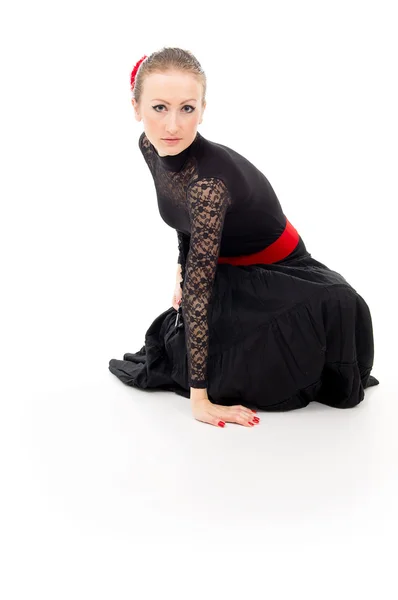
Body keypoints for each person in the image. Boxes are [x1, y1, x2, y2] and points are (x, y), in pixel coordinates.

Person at [108, 46, 379, 428]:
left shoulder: (210, 184)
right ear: (136, 108)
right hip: (220, 260)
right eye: (159, 108)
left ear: (203, 109)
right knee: (181, 343)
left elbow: (200, 280)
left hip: (279, 269)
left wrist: (200, 400)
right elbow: (181, 216)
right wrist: (180, 270)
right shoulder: (149, 147)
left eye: (187, 108)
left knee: (232, 362)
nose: (172, 126)